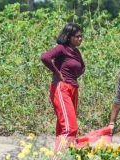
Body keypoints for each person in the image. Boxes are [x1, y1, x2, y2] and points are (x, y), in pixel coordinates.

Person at [41, 23, 85, 151]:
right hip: (61, 88)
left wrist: (73, 75)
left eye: (82, 36)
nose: (80, 39)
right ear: (69, 37)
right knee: (70, 128)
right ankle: (58, 158)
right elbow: (45, 57)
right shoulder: (61, 48)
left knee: (63, 128)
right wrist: (57, 72)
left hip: (73, 89)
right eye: (78, 36)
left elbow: (81, 68)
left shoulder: (76, 51)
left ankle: (60, 154)